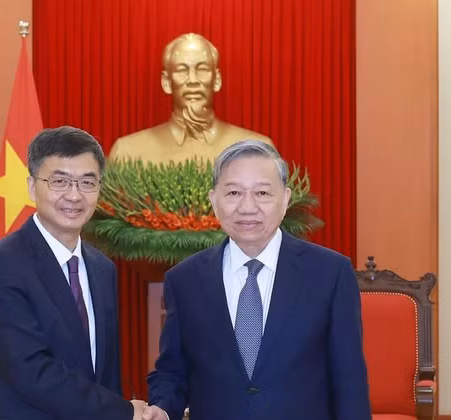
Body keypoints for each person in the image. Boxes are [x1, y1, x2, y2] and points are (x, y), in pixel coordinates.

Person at [142, 140, 371, 420]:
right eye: (234, 193)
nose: (247, 207)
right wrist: (162, 409)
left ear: (285, 199)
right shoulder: (184, 280)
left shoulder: (330, 274)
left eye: (262, 193)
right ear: (214, 200)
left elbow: (349, 381)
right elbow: (172, 372)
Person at [0, 126, 146, 420]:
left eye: (87, 182)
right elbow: (30, 373)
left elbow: (105, 374)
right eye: (59, 181)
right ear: (31, 186)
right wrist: (123, 411)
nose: (74, 196)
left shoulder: (103, 269)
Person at [109, 33, 273, 165]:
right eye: (182, 70)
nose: (193, 80)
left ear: (217, 80)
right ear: (166, 82)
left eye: (202, 69)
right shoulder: (127, 153)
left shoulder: (258, 151)